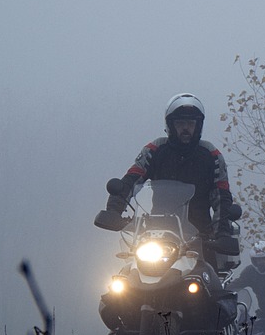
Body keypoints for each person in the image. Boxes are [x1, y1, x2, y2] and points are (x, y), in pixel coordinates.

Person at [94, 93, 239, 262]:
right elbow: (131, 179)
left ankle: (214, 287)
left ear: (198, 126)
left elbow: (221, 197)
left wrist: (222, 232)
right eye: (180, 123)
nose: (185, 128)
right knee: (123, 282)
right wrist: (114, 210)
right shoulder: (155, 149)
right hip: (154, 234)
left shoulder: (211, 155)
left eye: (190, 124)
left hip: (199, 236)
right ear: (170, 125)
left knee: (210, 279)